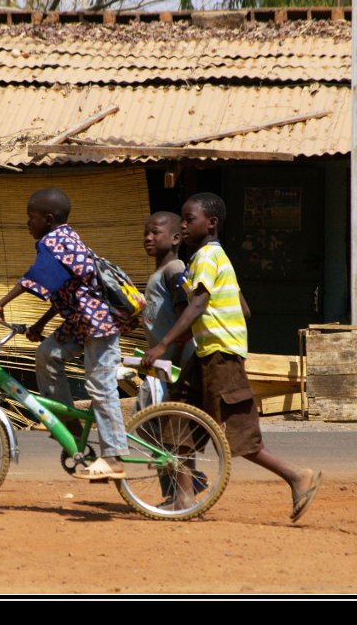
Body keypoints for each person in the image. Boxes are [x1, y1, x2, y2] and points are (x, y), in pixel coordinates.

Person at [140, 192, 323, 520]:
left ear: (211, 223)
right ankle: (184, 499)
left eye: (189, 219)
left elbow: (198, 304)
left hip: (221, 356)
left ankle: (297, 476)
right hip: (205, 354)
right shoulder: (212, 259)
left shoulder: (208, 257)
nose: (184, 225)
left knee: (237, 434)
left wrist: (163, 344)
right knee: (179, 419)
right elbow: (244, 308)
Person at [0, 187, 129, 480]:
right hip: (80, 323)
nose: (28, 223)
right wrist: (41, 323)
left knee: (100, 387)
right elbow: (63, 287)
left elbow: (36, 277)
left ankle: (113, 457)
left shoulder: (56, 241)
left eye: (32, 217)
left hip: (98, 324)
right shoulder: (64, 240)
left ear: (49, 219)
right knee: (47, 353)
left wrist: (2, 302)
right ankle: (68, 424)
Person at [137, 211, 207, 503]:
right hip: (161, 366)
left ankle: (183, 489)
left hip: (173, 365)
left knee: (163, 427)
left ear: (176, 238)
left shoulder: (174, 270)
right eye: (146, 233)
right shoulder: (159, 274)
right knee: (150, 424)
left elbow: (184, 322)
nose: (148, 238)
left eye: (156, 232)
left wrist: (171, 359)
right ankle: (182, 486)